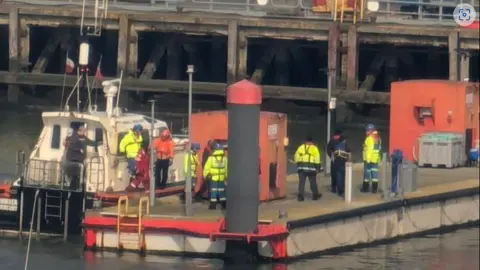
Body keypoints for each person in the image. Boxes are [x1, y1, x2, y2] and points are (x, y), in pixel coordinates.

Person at [65, 125, 98, 190]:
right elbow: (71, 145)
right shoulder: (73, 137)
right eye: (84, 131)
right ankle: (72, 187)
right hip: (72, 159)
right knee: (74, 174)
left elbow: (90, 142)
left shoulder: (83, 137)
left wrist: (98, 143)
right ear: (80, 131)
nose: (85, 132)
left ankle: (79, 185)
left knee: (79, 174)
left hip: (80, 159)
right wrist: (79, 149)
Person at [294, 136, 322, 201]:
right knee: (313, 182)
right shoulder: (314, 148)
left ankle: (301, 197)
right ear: (312, 141)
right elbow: (317, 159)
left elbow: (296, 157)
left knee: (301, 183)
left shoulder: (300, 147)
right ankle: (315, 195)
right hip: (311, 168)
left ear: (305, 141)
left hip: (302, 168)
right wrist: (318, 167)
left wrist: (298, 163)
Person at [203, 143, 228, 210]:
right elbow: (226, 169)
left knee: (213, 191)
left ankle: (213, 206)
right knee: (222, 191)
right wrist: (226, 177)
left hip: (213, 178)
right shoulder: (225, 159)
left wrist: (206, 175)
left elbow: (206, 168)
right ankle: (224, 205)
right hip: (222, 178)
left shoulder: (210, 159)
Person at [327, 130, 351, 196]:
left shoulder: (331, 141)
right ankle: (340, 189)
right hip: (342, 161)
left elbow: (328, 150)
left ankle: (334, 188)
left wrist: (331, 157)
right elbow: (348, 152)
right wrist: (348, 160)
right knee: (341, 175)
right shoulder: (343, 142)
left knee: (334, 175)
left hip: (334, 160)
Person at [362, 124, 382, 193]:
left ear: (370, 130)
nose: (366, 132)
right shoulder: (377, 137)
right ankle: (374, 189)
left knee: (366, 174)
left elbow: (369, 149)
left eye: (367, 130)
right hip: (375, 159)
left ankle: (365, 189)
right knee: (375, 175)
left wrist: (367, 159)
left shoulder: (370, 138)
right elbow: (379, 148)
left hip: (369, 160)